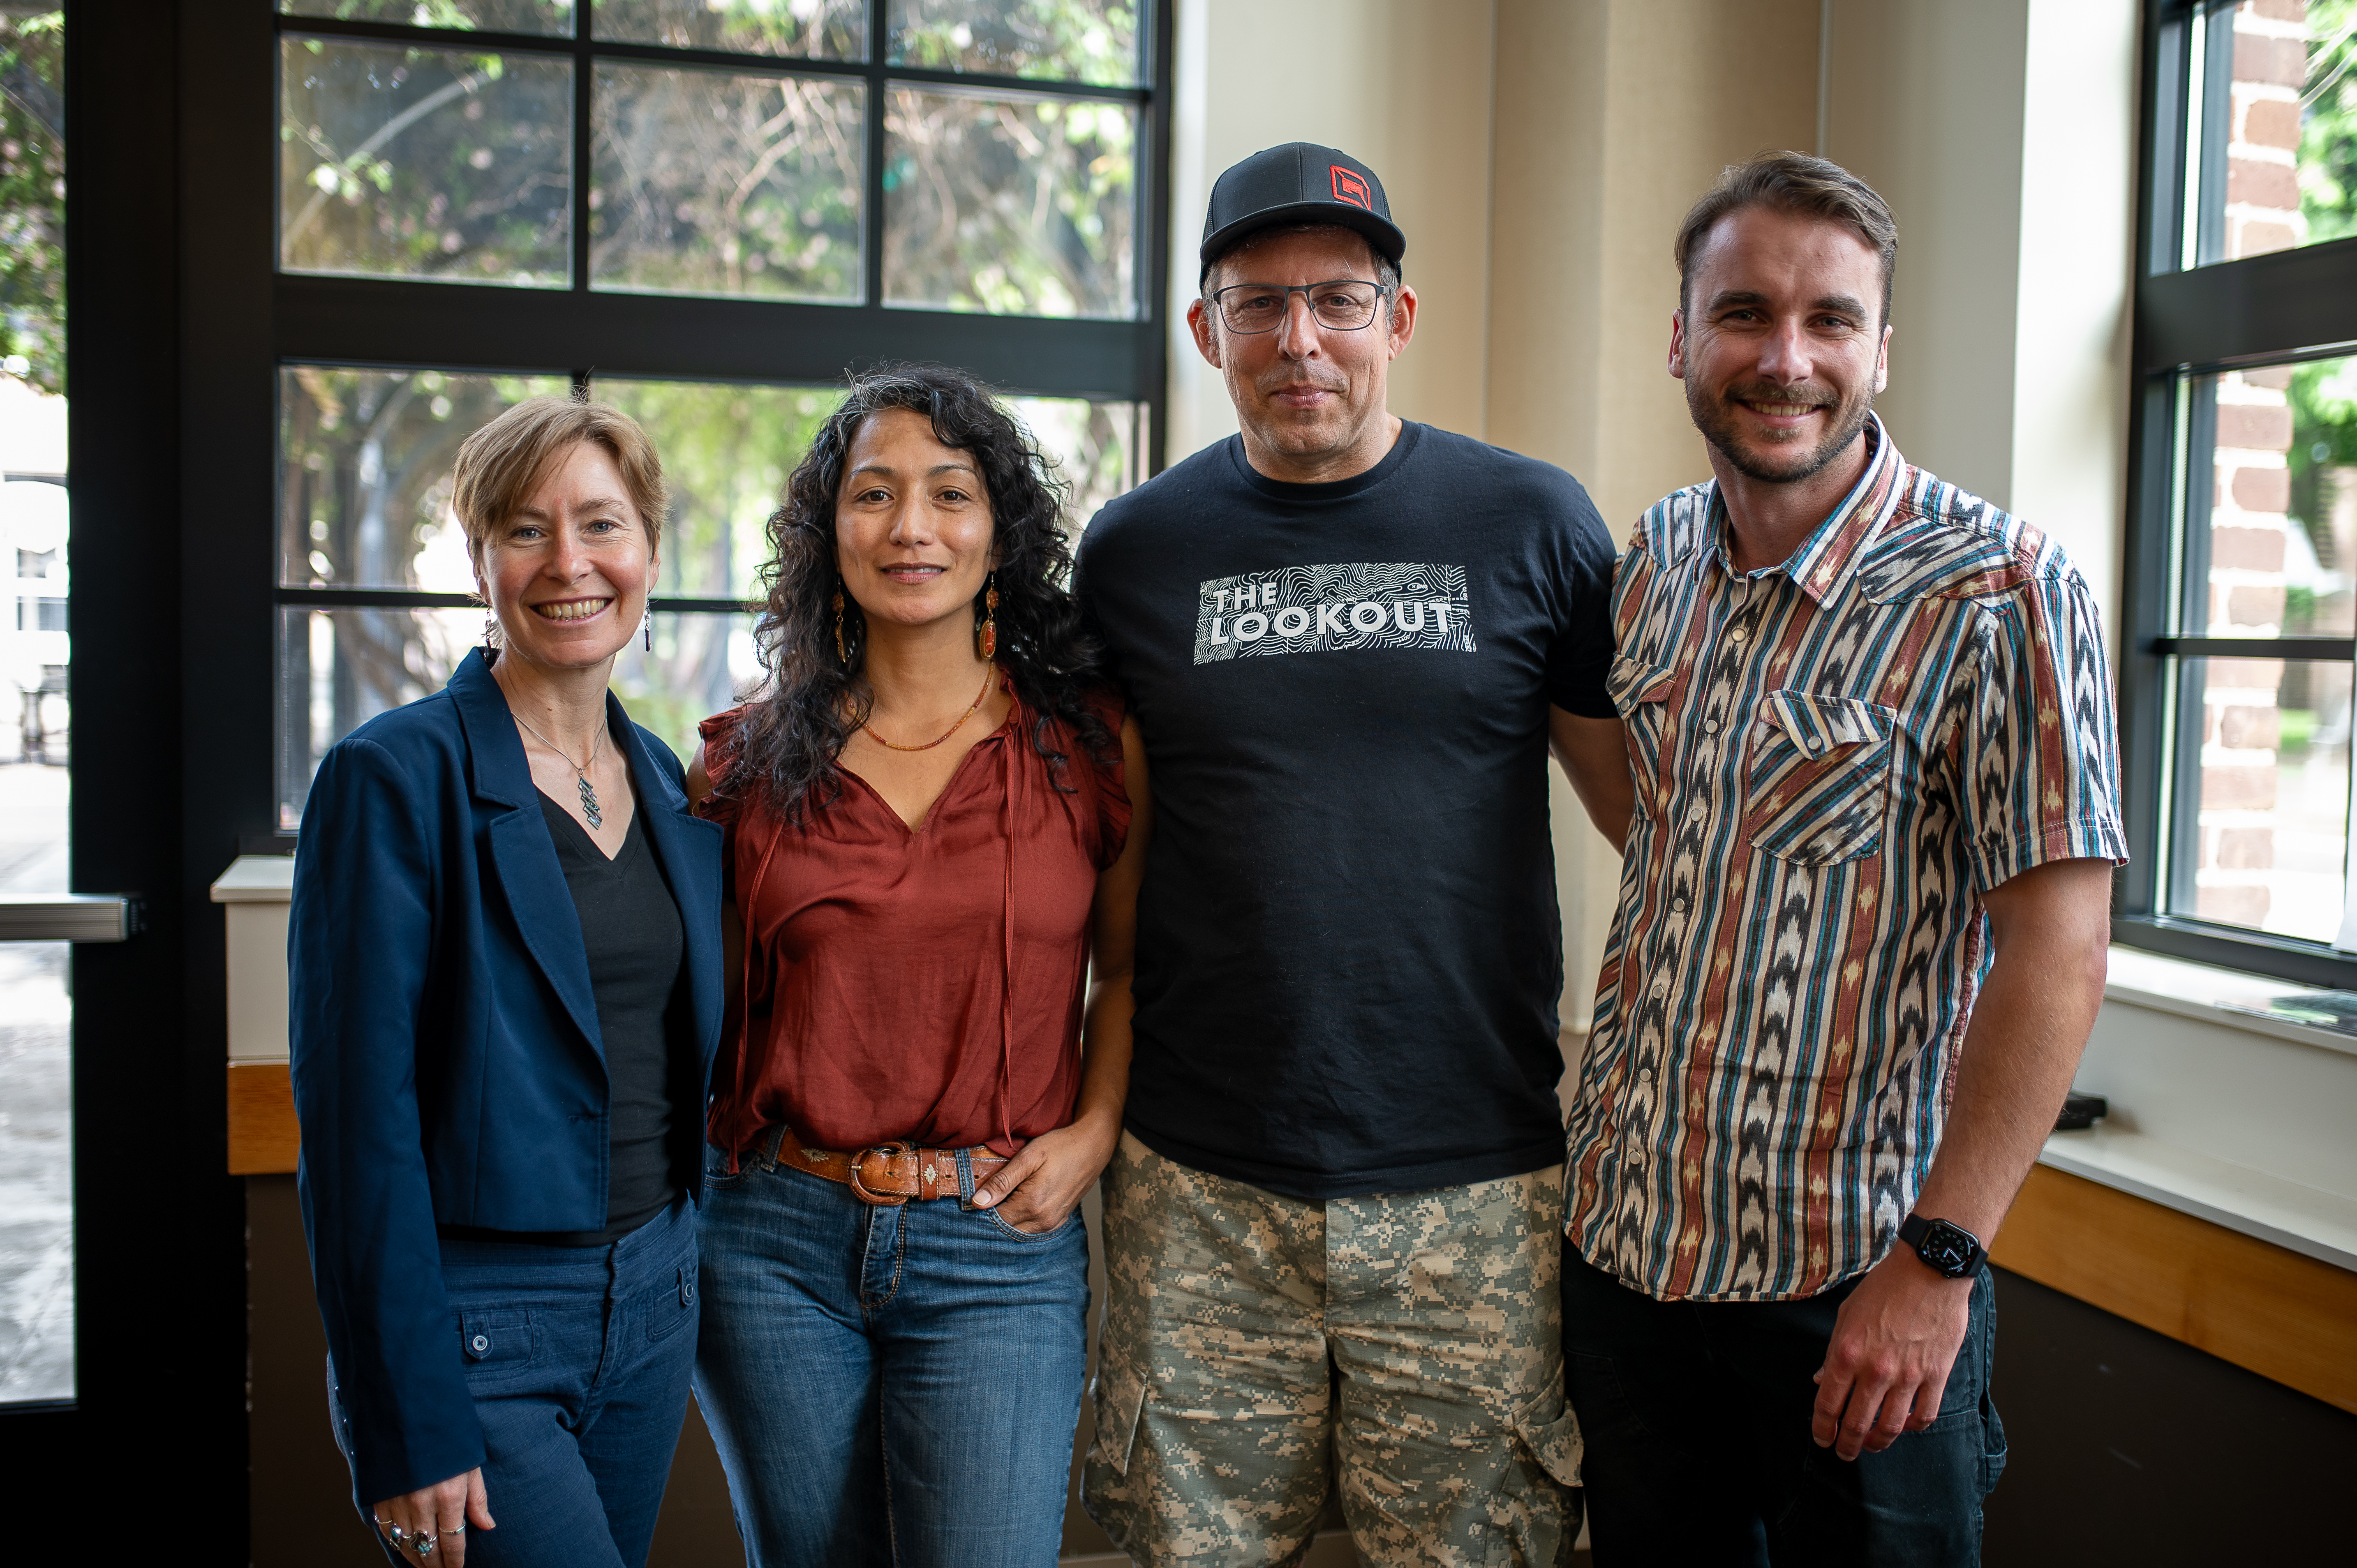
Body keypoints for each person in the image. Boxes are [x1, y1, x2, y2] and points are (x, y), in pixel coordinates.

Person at [1560, 151, 2124, 1566]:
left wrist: (1940, 1263)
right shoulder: (1658, 559)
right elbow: (1672, 831)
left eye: (1831, 320)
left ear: (1882, 346)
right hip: (1630, 1259)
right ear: (1681, 337)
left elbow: (2059, 953)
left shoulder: (2002, 593)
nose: (1786, 358)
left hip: (1857, 1286)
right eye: (1744, 313)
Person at [1072, 142, 1632, 1566]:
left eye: (1337, 297)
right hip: (1197, 1189)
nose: (1299, 340)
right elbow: (1094, 859)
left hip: (1475, 1184)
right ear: (1207, 331)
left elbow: (1658, 822)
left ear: (1400, 314)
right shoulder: (1134, 551)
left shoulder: (1533, 523)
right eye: (1257, 304)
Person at [686, 365, 1150, 1566]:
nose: (911, 529)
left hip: (997, 1240)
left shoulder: (1088, 746)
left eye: (950, 494)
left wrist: (1095, 1131)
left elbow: (1128, 972)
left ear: (999, 531)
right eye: (874, 495)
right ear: (827, 532)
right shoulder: (744, 769)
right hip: (771, 1241)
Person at [289, 396, 725, 1567]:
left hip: (652, 1308)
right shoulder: (391, 777)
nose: (570, 564)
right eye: (526, 532)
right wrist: (406, 1419)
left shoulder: (674, 788)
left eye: (602, 525)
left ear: (647, 550)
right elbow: (353, 1126)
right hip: (480, 1332)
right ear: (479, 559)